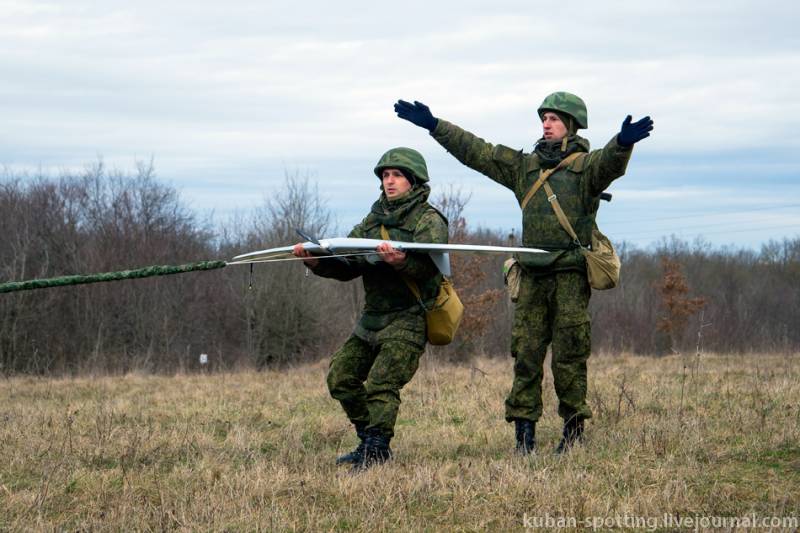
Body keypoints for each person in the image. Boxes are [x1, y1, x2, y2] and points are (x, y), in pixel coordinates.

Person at [394, 93, 653, 454]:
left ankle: (573, 429)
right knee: (526, 355)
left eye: (554, 119)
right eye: (544, 118)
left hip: (569, 278)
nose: (546, 124)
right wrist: (435, 126)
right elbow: (478, 152)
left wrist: (622, 143)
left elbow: (608, 164)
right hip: (531, 276)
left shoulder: (586, 169)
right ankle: (524, 434)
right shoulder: (524, 167)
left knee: (570, 355)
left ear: (572, 125)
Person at [293, 147, 448, 470]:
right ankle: (368, 440)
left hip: (409, 318)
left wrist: (402, 262)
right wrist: (316, 261)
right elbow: (348, 264)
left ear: (413, 180)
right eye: (385, 176)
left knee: (381, 384)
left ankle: (377, 450)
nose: (389, 182)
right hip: (372, 320)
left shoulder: (429, 220)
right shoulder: (373, 219)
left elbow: (432, 269)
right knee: (341, 377)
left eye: (397, 176)